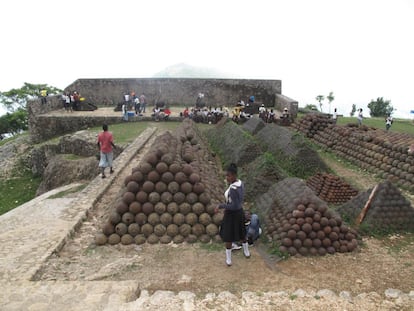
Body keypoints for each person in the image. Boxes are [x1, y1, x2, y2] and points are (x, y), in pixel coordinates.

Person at [215, 163, 250, 266]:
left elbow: (233, 206)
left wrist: (221, 206)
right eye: (226, 175)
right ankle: (246, 252)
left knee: (228, 236)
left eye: (228, 175)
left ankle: (229, 259)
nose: (227, 177)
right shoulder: (240, 183)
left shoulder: (234, 189)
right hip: (240, 212)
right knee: (242, 233)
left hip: (232, 214)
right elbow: (237, 203)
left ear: (234, 175)